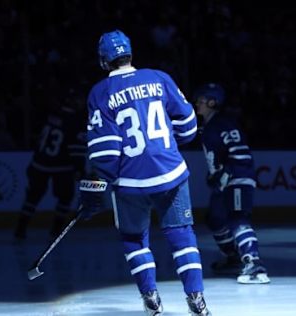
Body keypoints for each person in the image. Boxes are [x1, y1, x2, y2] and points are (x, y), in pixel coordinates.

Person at [79, 30, 211, 315]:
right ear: (130, 53)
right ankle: (196, 300)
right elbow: (189, 126)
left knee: (134, 239)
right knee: (182, 234)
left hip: (130, 181)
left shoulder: (101, 92)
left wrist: (100, 181)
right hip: (171, 172)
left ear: (103, 60)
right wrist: (163, 145)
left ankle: (151, 298)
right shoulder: (159, 77)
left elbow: (106, 153)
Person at [194, 83, 270, 284]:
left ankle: (254, 262)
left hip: (236, 178)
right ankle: (234, 258)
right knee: (215, 219)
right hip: (226, 180)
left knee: (237, 218)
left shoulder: (222, 124)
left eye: (201, 99)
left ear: (212, 102)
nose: (197, 103)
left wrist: (225, 174)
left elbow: (239, 153)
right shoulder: (210, 126)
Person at [13, 96, 86, 240]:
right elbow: (76, 150)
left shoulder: (53, 115)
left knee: (32, 197)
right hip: (61, 166)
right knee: (65, 197)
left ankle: (20, 229)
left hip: (38, 163)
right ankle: (56, 230)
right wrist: (80, 170)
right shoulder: (75, 121)